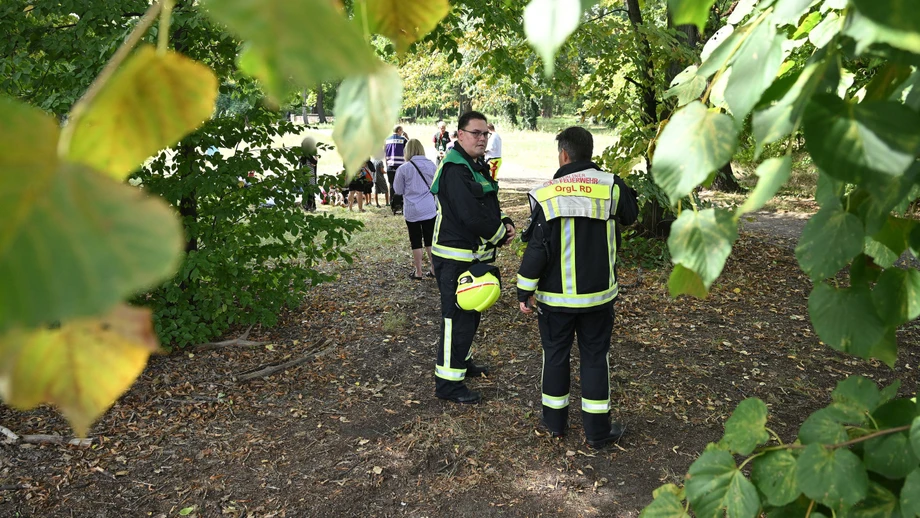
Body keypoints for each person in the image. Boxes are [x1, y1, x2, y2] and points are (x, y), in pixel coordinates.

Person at [516, 126, 638, 449]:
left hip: (555, 302)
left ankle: (555, 425)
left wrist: (523, 290)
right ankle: (598, 432)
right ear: (590, 153)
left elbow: (537, 249)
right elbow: (632, 214)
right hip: (598, 299)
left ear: (564, 155)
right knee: (596, 358)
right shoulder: (610, 186)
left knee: (555, 356)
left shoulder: (549, 193)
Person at [430, 111, 515, 404]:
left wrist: (504, 219)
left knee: (471, 311)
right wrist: (499, 234)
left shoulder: (474, 165)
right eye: (475, 133)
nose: (481, 139)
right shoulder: (455, 168)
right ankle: (448, 385)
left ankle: (462, 363)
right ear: (460, 135)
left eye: (485, 134)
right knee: (456, 318)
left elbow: (488, 202)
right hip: (455, 258)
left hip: (471, 257)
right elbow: (469, 215)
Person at [393, 139, 437, 280]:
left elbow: (398, 190)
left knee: (415, 240)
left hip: (412, 209)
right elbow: (437, 186)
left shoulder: (403, 168)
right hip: (429, 208)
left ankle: (418, 271)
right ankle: (434, 268)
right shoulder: (431, 165)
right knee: (430, 239)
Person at [385, 125, 409, 200]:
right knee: (401, 184)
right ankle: (400, 202)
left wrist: (387, 165)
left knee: (392, 184)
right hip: (401, 166)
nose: (402, 132)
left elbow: (385, 154)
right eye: (402, 130)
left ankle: (392, 201)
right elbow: (410, 148)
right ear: (399, 130)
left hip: (390, 166)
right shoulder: (403, 139)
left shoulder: (387, 140)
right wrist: (407, 137)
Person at [298, 137, 319, 212]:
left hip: (303, 173)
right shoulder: (309, 153)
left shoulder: (301, 153)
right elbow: (314, 162)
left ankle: (306, 205)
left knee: (305, 190)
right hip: (310, 173)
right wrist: (316, 157)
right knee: (311, 190)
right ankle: (311, 206)